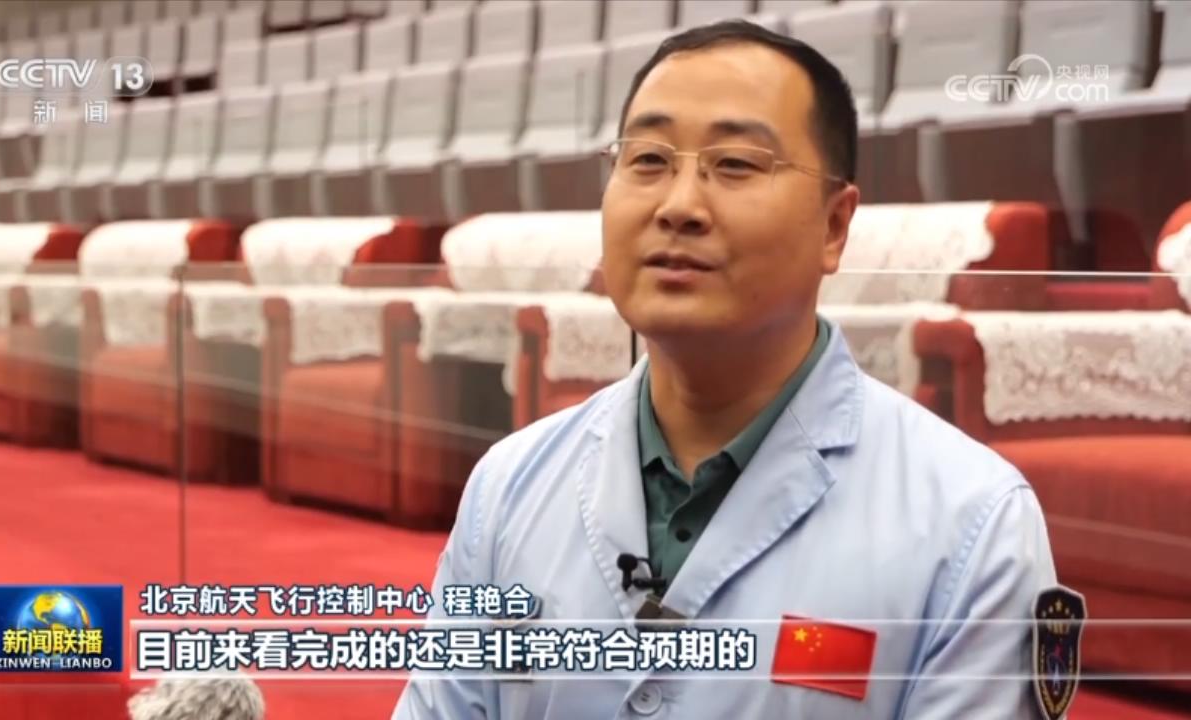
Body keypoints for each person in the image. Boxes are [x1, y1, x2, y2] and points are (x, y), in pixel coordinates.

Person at [395, 19, 1069, 719]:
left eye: (737, 164)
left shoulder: (971, 522)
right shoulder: (509, 486)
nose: (679, 206)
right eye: (648, 159)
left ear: (835, 226)